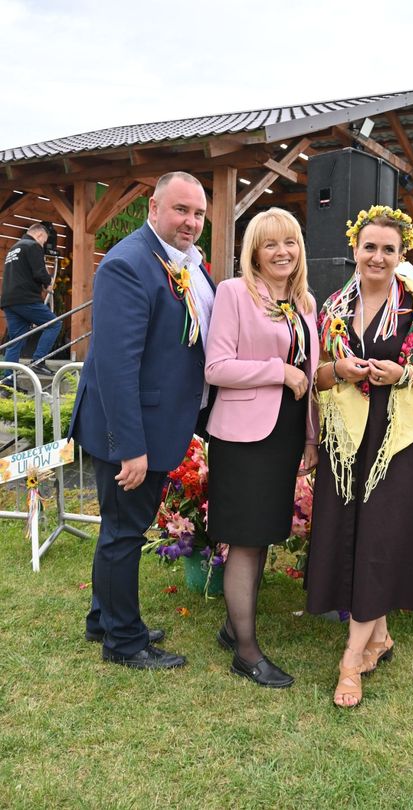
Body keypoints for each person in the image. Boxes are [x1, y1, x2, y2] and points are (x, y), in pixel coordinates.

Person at [305, 205, 413, 707]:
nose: (377, 256)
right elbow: (318, 377)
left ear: (401, 254)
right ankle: (378, 638)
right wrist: (342, 371)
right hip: (347, 440)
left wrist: (404, 374)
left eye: (387, 249)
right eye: (369, 246)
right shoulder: (331, 307)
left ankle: (351, 661)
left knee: (381, 535)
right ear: (355, 249)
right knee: (354, 533)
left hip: (399, 441)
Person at [68, 171, 215, 669]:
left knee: (121, 529)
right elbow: (114, 364)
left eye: (198, 213)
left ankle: (103, 620)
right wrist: (129, 446)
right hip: (128, 432)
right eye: (181, 210)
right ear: (154, 208)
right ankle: (124, 641)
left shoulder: (185, 264)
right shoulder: (129, 264)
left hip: (157, 425)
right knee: (123, 534)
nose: (191, 221)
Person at [205, 207, 319, 688]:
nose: (282, 252)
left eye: (290, 242)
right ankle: (246, 653)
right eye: (271, 243)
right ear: (254, 249)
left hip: (287, 433)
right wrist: (279, 370)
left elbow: (310, 376)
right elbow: (217, 367)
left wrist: (311, 435)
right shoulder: (234, 293)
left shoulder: (305, 303)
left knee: (265, 533)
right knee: (246, 540)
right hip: (243, 437)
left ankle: (234, 628)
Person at [1, 222, 61, 381]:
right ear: (40, 235)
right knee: (54, 324)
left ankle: (8, 383)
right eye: (44, 240)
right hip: (25, 299)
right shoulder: (33, 246)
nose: (43, 244)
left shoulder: (14, 248)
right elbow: (39, 272)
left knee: (16, 341)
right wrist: (48, 283)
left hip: (9, 300)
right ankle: (39, 360)